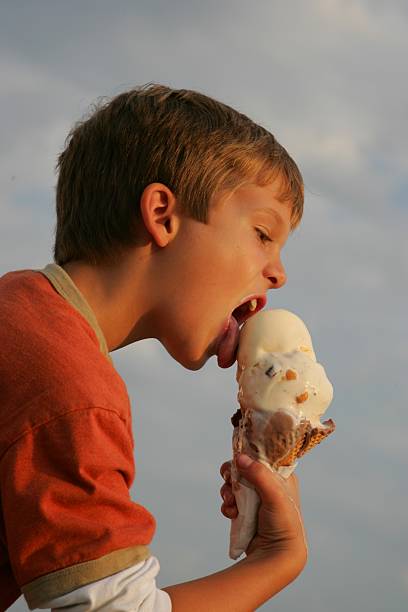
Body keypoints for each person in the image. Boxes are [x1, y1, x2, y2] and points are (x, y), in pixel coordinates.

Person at [0, 84, 307, 611]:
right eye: (262, 233)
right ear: (162, 214)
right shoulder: (71, 389)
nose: (278, 273)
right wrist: (276, 558)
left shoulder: (19, 309)